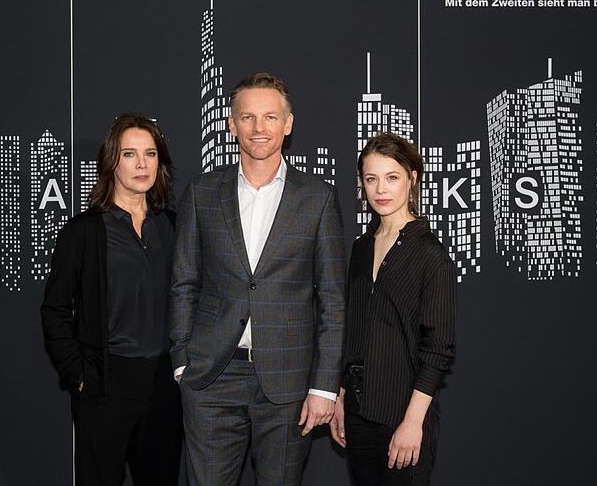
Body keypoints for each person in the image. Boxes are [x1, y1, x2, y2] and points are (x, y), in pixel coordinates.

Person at [169, 72, 347, 485]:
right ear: (231, 125)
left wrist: (323, 386)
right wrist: (181, 362)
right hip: (211, 378)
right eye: (247, 117)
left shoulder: (317, 198)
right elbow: (183, 282)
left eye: (269, 117)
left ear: (288, 123)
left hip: (288, 382)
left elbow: (333, 299)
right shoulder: (202, 193)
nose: (258, 128)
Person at [40, 113, 183, 485]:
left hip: (164, 384)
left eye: (150, 154)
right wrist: (79, 375)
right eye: (129, 154)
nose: (141, 164)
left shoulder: (174, 226)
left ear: (160, 162)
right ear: (111, 162)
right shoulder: (85, 231)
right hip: (105, 384)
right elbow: (55, 309)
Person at [329, 133, 457, 486]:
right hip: (357, 412)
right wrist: (340, 398)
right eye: (371, 179)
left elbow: (438, 349)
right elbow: (352, 331)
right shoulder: (361, 248)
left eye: (392, 177)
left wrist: (413, 423)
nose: (380, 189)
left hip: (403, 415)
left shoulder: (431, 255)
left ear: (412, 178)